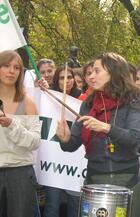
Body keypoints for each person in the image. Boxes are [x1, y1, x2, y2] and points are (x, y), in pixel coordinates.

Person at [55, 52, 140, 217]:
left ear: (113, 72)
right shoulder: (88, 103)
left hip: (127, 181)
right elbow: (72, 144)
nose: (91, 76)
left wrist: (106, 128)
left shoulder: (133, 100)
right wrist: (65, 138)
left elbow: (134, 138)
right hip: (94, 180)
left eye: (97, 71)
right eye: (90, 73)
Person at [0, 50, 41, 217]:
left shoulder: (28, 103)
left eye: (17, 68)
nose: (11, 71)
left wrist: (11, 125)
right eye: (6, 66)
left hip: (20, 174)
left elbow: (35, 141)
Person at [43, 65, 81, 217]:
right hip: (54, 162)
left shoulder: (83, 99)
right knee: (52, 203)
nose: (66, 81)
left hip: (76, 161)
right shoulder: (49, 97)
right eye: (62, 78)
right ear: (56, 80)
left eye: (69, 77)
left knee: (75, 204)